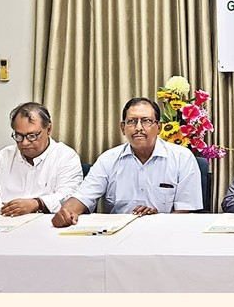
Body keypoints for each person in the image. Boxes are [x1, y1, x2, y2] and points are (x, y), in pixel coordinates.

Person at [51, 97, 202, 227]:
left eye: (146, 121)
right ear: (123, 128)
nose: (138, 128)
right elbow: (83, 197)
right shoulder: (108, 159)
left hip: (165, 233)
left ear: (159, 128)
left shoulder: (182, 158)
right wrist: (67, 212)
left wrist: (158, 221)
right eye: (131, 122)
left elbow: (184, 211)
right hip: (117, 235)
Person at [0, 102, 83, 216]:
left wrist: (37, 203)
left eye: (32, 136)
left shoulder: (66, 157)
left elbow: (69, 197)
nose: (24, 143)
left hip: (47, 226)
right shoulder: (4, 156)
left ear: (49, 129)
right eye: (18, 136)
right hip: (4, 225)